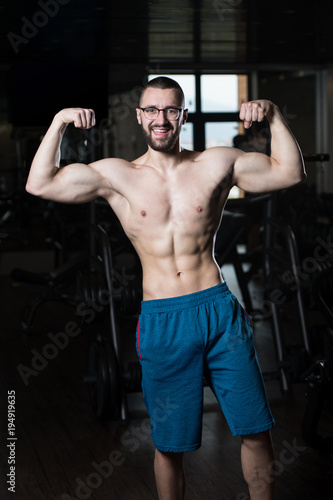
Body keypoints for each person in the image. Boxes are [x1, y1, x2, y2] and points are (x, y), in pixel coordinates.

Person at [26, 76, 306, 500]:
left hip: (218, 311)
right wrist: (60, 121)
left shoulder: (217, 163)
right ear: (140, 117)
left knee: (254, 430)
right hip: (164, 320)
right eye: (153, 110)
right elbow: (39, 183)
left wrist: (274, 116)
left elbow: (290, 172)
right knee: (170, 446)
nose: (162, 119)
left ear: (183, 116)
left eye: (171, 110)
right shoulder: (117, 175)